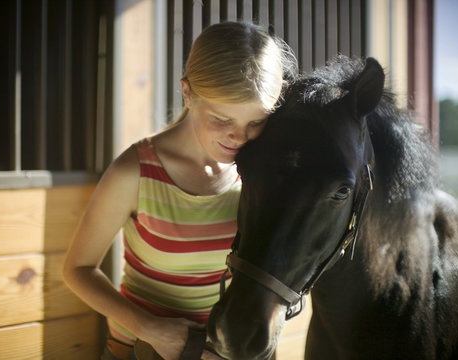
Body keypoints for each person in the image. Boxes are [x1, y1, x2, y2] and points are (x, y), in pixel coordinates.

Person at [63, 21, 297, 360]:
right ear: (187, 92)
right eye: (221, 118)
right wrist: (147, 327)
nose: (239, 137)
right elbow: (77, 270)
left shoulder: (261, 170)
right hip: (143, 349)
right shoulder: (136, 171)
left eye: (256, 122)